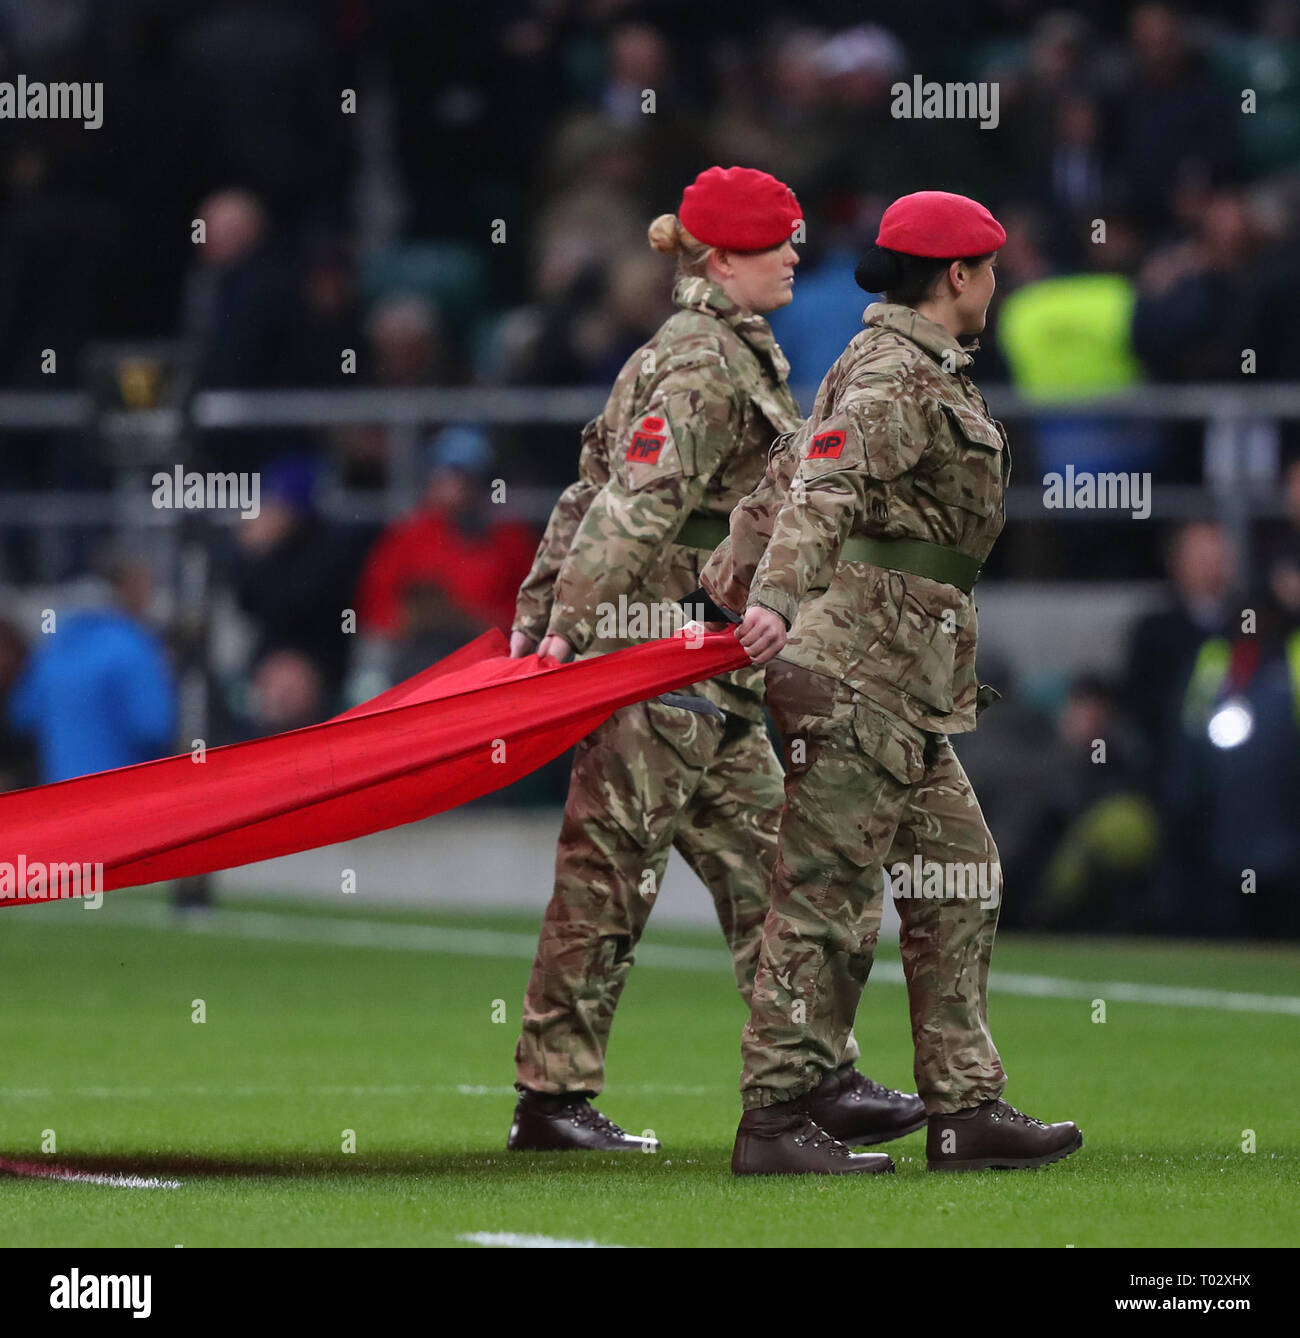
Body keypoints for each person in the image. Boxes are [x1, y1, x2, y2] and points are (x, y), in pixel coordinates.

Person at [506, 166, 924, 1152]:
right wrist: (566, 623)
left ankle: (813, 1075)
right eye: (778, 241)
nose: (793, 255)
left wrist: (546, 609)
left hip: (695, 666)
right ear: (725, 255)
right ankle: (553, 1101)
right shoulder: (702, 363)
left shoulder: (708, 349)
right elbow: (633, 502)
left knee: (771, 872)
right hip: (657, 660)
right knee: (614, 876)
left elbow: (585, 491)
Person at [700, 190, 1082, 1174]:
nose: (994, 284)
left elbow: (791, 467)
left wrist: (733, 576)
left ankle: (964, 1108)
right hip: (854, 665)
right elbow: (824, 484)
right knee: (825, 898)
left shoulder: (904, 368)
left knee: (959, 872)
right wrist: (774, 597)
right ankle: (776, 1122)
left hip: (898, 672)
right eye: (989, 269)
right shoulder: (897, 375)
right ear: (957, 276)